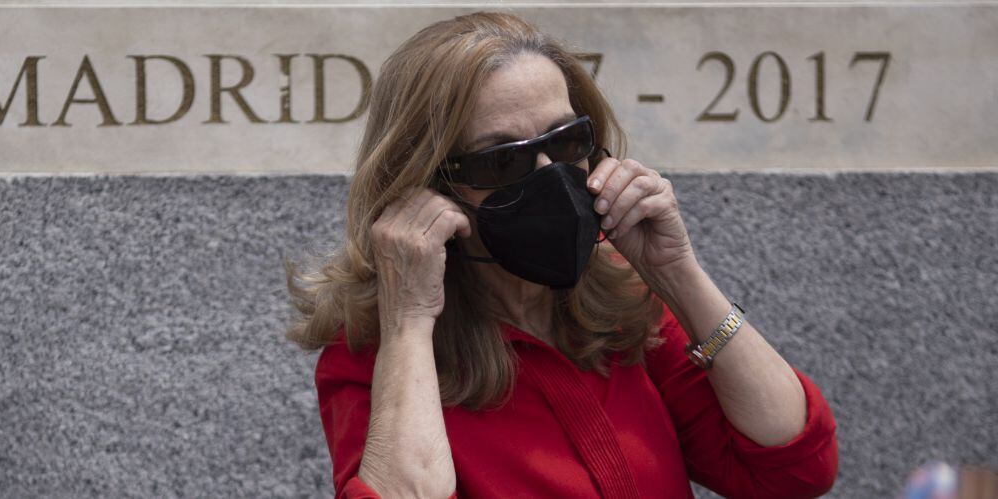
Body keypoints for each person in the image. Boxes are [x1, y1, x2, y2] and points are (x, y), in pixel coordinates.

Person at [286, 11, 838, 498]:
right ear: (425, 185)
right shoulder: (374, 354)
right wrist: (407, 322)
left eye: (567, 140)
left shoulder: (622, 302)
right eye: (501, 161)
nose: (550, 175)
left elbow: (795, 470)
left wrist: (677, 273)